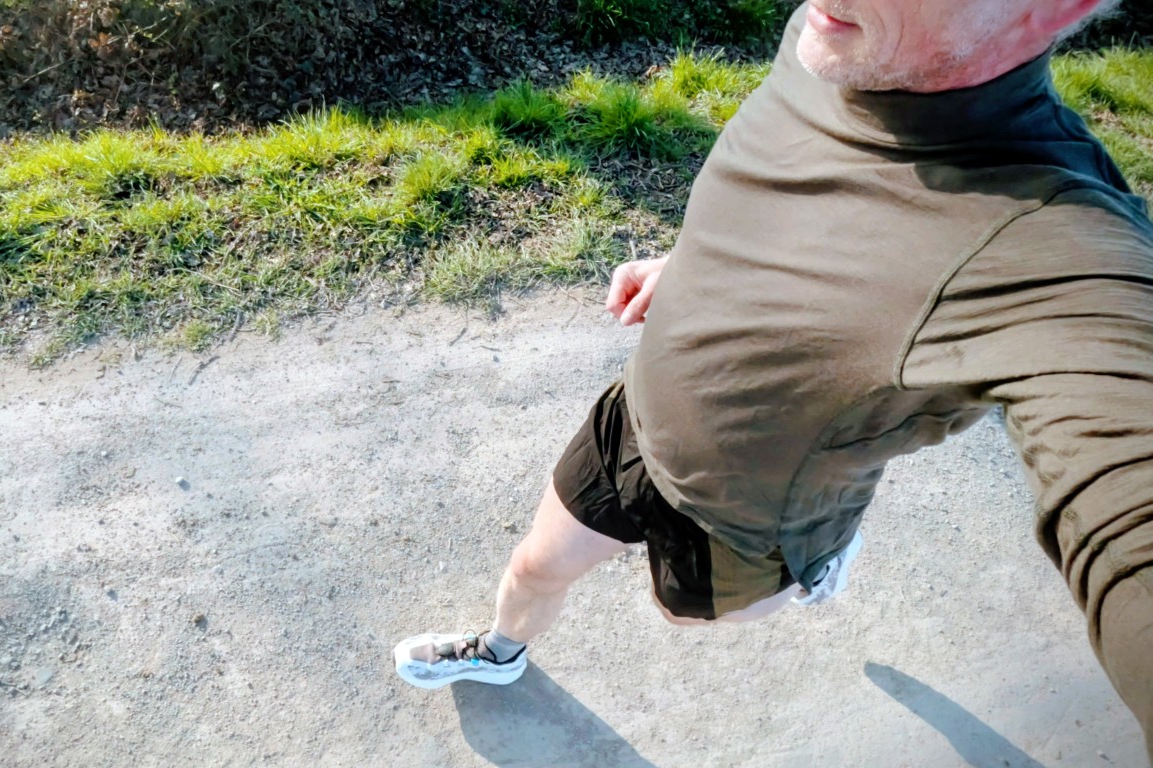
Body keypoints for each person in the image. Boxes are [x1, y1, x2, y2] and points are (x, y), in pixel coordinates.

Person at [393, 0, 1153, 756]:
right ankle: (499, 653)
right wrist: (690, 266)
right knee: (532, 564)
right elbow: (792, 196)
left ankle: (813, 565)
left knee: (687, 616)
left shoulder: (1061, 249)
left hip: (745, 521)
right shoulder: (836, 35)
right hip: (638, 414)